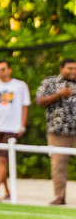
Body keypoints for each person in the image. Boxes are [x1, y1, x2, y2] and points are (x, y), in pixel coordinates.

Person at [0, 58, 31, 203]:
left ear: (9, 70)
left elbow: (25, 105)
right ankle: (7, 190)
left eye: (3, 69)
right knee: (0, 160)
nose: (1, 72)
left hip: (11, 127)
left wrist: (22, 125)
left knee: (3, 159)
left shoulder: (19, 85)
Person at [35, 58, 76, 206]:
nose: (73, 71)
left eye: (75, 69)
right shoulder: (50, 82)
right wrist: (59, 94)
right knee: (58, 166)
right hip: (57, 132)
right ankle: (60, 196)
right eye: (69, 68)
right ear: (61, 68)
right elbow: (40, 102)